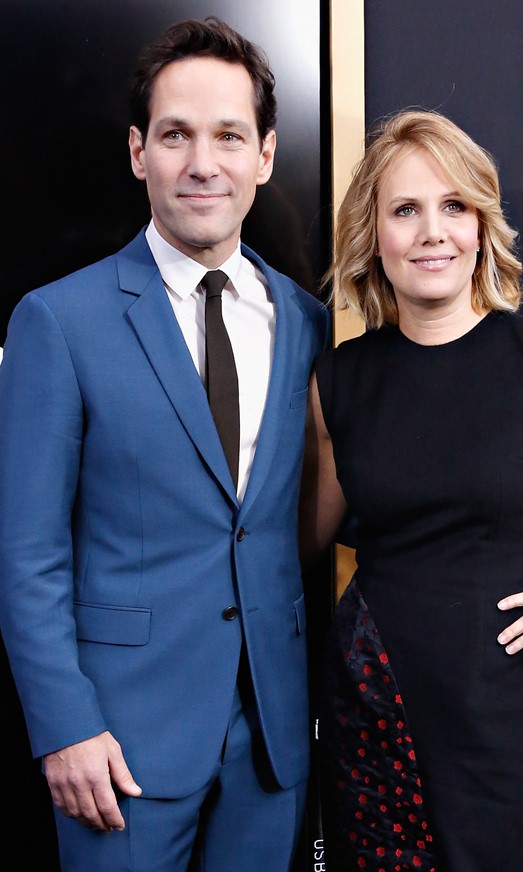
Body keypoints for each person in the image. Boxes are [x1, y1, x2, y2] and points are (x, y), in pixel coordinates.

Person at [0, 17, 329, 872]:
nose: (202, 163)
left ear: (264, 155)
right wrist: (65, 725)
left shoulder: (306, 322)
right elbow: (29, 552)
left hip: (273, 741)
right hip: (118, 744)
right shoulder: (57, 321)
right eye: (176, 135)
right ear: (138, 152)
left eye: (229, 136)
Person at [300, 108, 523, 871]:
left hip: (522, 738)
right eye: (405, 209)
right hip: (379, 725)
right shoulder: (338, 381)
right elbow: (295, 543)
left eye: (453, 206)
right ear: (373, 233)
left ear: (479, 225)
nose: (432, 232)